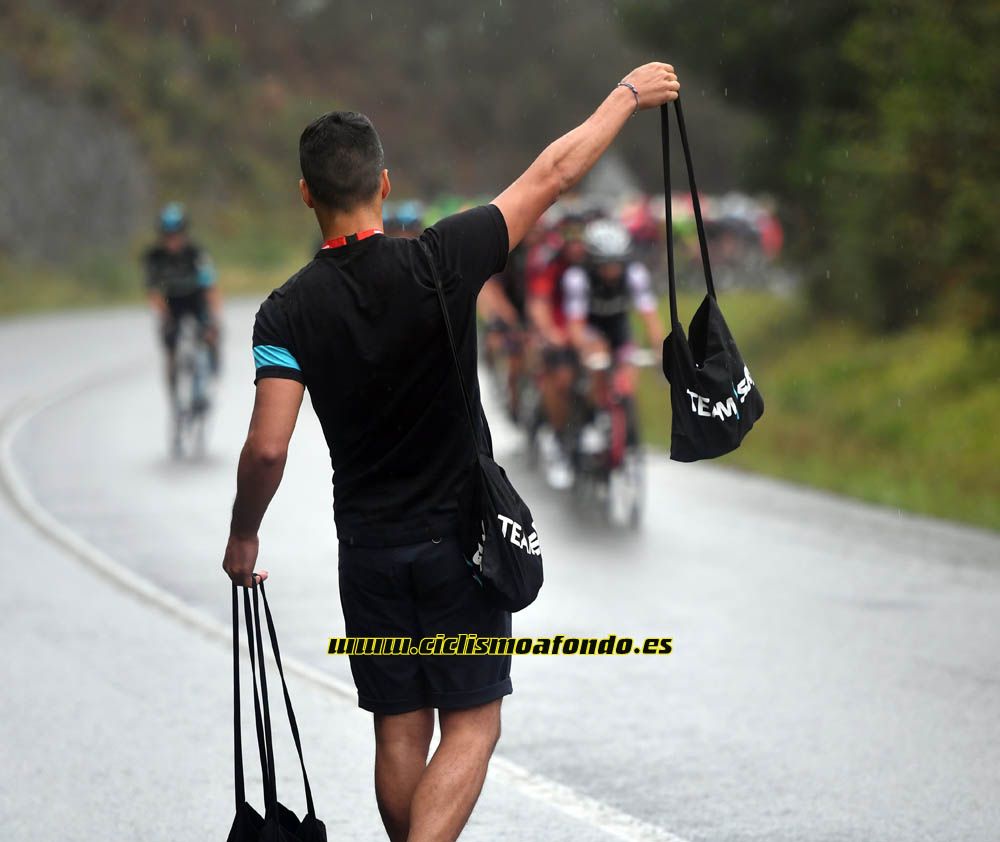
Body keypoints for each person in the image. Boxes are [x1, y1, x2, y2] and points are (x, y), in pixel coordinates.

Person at [221, 62, 680, 842]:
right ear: (384, 182)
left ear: (306, 195)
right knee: (471, 725)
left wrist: (242, 534)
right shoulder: (442, 260)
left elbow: (268, 449)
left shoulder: (286, 312)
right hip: (457, 544)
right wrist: (627, 95)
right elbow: (554, 173)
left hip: (367, 551)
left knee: (399, 730)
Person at [562, 218, 665, 455]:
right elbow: (575, 326)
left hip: (619, 328)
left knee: (627, 377)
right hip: (591, 329)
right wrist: (585, 349)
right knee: (597, 363)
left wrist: (660, 349)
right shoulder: (577, 277)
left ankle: (626, 428)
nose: (612, 270)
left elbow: (650, 317)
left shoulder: (635, 274)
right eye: (605, 264)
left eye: (617, 263)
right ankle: (593, 420)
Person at [143, 202, 222, 398]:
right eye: (168, 236)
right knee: (169, 337)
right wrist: (164, 316)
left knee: (211, 330)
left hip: (195, 298)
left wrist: (213, 318)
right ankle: (174, 387)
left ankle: (212, 365)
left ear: (184, 233)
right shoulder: (155, 257)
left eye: (176, 234)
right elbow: (153, 292)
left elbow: (210, 286)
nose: (172, 241)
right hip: (171, 302)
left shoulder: (196, 253)